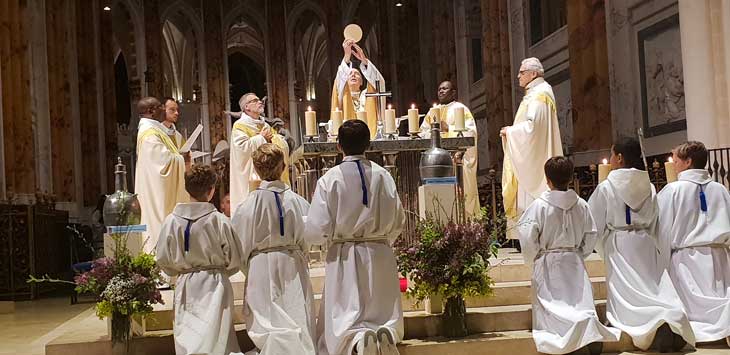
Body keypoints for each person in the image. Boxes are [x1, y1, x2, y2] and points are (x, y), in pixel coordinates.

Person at [305, 120, 405, 355]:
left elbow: (318, 226)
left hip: (345, 253)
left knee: (347, 311)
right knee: (380, 306)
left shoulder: (330, 179)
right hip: (379, 250)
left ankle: (356, 341)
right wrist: (382, 238)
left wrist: (322, 238)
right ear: (368, 144)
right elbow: (398, 218)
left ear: (338, 145)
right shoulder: (383, 176)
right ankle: (385, 335)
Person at [587, 138, 695, 351]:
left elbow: (594, 223)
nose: (609, 159)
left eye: (611, 154)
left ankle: (647, 329)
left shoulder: (606, 186)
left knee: (627, 292)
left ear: (619, 157)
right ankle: (669, 319)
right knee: (653, 288)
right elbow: (657, 219)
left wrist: (602, 246)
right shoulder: (649, 186)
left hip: (619, 243)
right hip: (644, 242)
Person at [518, 156, 620, 354]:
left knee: (552, 304)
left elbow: (528, 236)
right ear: (571, 178)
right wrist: (580, 252)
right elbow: (591, 233)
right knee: (578, 302)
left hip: (548, 261)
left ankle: (566, 338)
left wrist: (534, 257)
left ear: (547, 179)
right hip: (573, 260)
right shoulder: (581, 204)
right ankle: (586, 332)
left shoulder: (539, 206)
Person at [232, 144, 315, 354]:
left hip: (260, 265)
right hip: (292, 263)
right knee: (296, 316)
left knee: (267, 322)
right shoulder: (298, 202)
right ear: (283, 167)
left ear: (257, 169)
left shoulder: (247, 205)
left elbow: (238, 245)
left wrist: (249, 266)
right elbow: (308, 236)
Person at [155, 164, 242, 355]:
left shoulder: (171, 220)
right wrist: (223, 270)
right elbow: (235, 257)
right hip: (215, 284)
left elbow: (162, 257)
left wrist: (177, 270)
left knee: (189, 333)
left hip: (186, 283)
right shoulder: (219, 220)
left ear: (187, 189)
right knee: (217, 337)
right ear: (211, 191)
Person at [657, 141, 730, 345]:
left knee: (693, 312)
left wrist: (661, 263)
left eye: (677, 160)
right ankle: (724, 327)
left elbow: (662, 230)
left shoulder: (673, 191)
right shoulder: (721, 190)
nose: (674, 164)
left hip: (685, 260)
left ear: (688, 162)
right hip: (719, 258)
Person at [501, 57, 563, 240]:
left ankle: (530, 237)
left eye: (522, 72)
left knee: (529, 196)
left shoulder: (539, 94)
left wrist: (510, 132)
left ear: (533, 74)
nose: (518, 76)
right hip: (534, 153)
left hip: (534, 159)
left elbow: (533, 127)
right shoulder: (538, 92)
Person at [134, 97, 190, 253]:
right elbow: (162, 165)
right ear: (151, 111)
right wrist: (182, 159)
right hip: (157, 194)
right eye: (160, 107)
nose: (163, 110)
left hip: (161, 190)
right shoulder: (149, 133)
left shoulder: (155, 130)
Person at [419, 80, 480, 217]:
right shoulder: (432, 113)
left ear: (453, 92)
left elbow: (471, 133)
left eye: (445, 89)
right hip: (437, 163)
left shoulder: (461, 109)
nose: (441, 91)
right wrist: (433, 132)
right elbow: (422, 133)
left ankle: (465, 222)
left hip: (456, 160)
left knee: (462, 196)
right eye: (439, 89)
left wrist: (449, 129)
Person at [229, 93, 290, 212]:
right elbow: (241, 150)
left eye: (259, 100)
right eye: (255, 100)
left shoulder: (264, 125)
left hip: (270, 177)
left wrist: (277, 140)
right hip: (251, 179)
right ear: (246, 107)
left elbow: (279, 143)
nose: (260, 102)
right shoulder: (240, 126)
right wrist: (261, 138)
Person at [330, 39, 385, 138]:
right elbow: (339, 80)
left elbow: (379, 82)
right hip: (347, 139)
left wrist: (363, 60)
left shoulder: (368, 95)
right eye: (350, 73)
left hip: (369, 137)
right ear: (345, 81)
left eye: (357, 74)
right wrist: (347, 56)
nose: (353, 75)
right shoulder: (342, 94)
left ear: (362, 82)